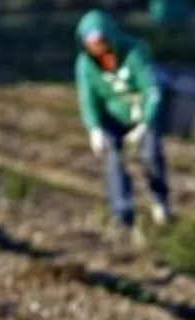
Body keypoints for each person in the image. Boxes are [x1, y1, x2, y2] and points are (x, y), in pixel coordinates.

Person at [74, 9, 173, 241]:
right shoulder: (85, 66)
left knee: (150, 155)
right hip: (113, 116)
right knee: (113, 159)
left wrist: (145, 123)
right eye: (91, 45)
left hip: (141, 114)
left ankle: (160, 201)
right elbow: (87, 98)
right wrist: (94, 128)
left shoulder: (134, 53)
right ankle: (122, 215)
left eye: (100, 42)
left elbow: (152, 89)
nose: (97, 49)